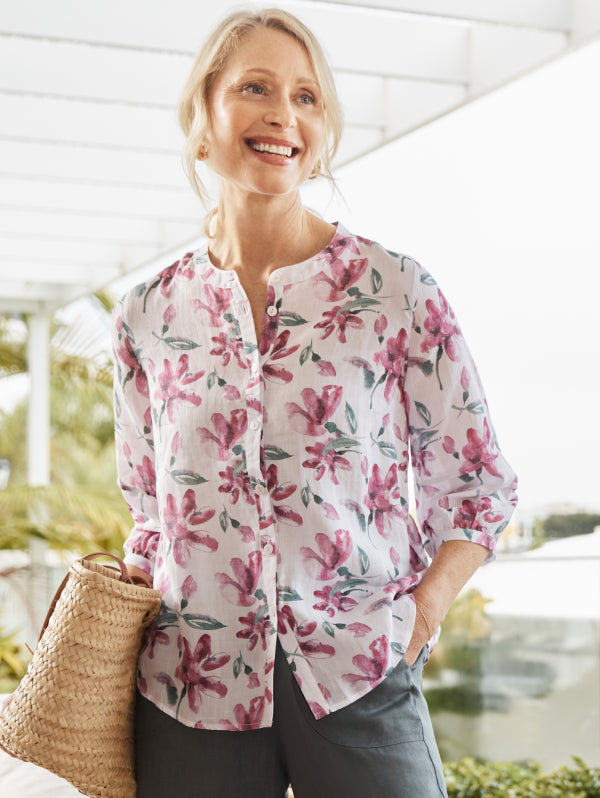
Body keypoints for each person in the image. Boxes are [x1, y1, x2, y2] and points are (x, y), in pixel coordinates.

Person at [112, 8, 517, 797]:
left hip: (359, 672)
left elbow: (479, 488)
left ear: (323, 131)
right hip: (193, 685)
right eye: (255, 88)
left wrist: (421, 614)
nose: (282, 115)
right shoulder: (147, 312)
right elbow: (148, 510)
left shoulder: (394, 290)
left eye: (307, 98)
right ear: (203, 118)